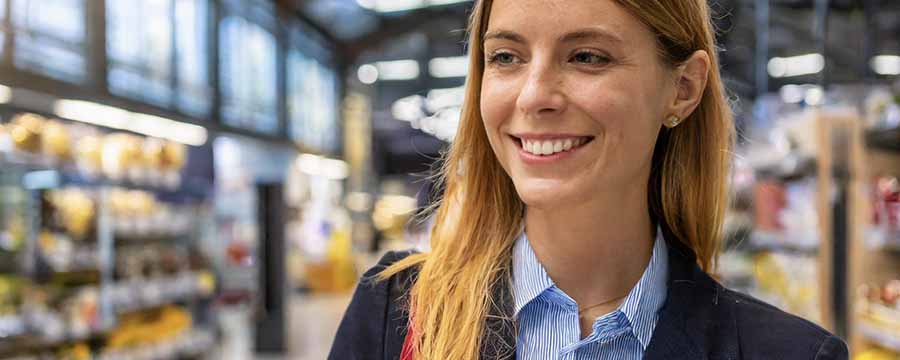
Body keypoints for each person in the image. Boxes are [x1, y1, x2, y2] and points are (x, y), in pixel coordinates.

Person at [330, 0, 850, 359]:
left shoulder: (790, 353)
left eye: (586, 56)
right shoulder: (397, 313)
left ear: (683, 88)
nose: (534, 96)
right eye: (506, 57)